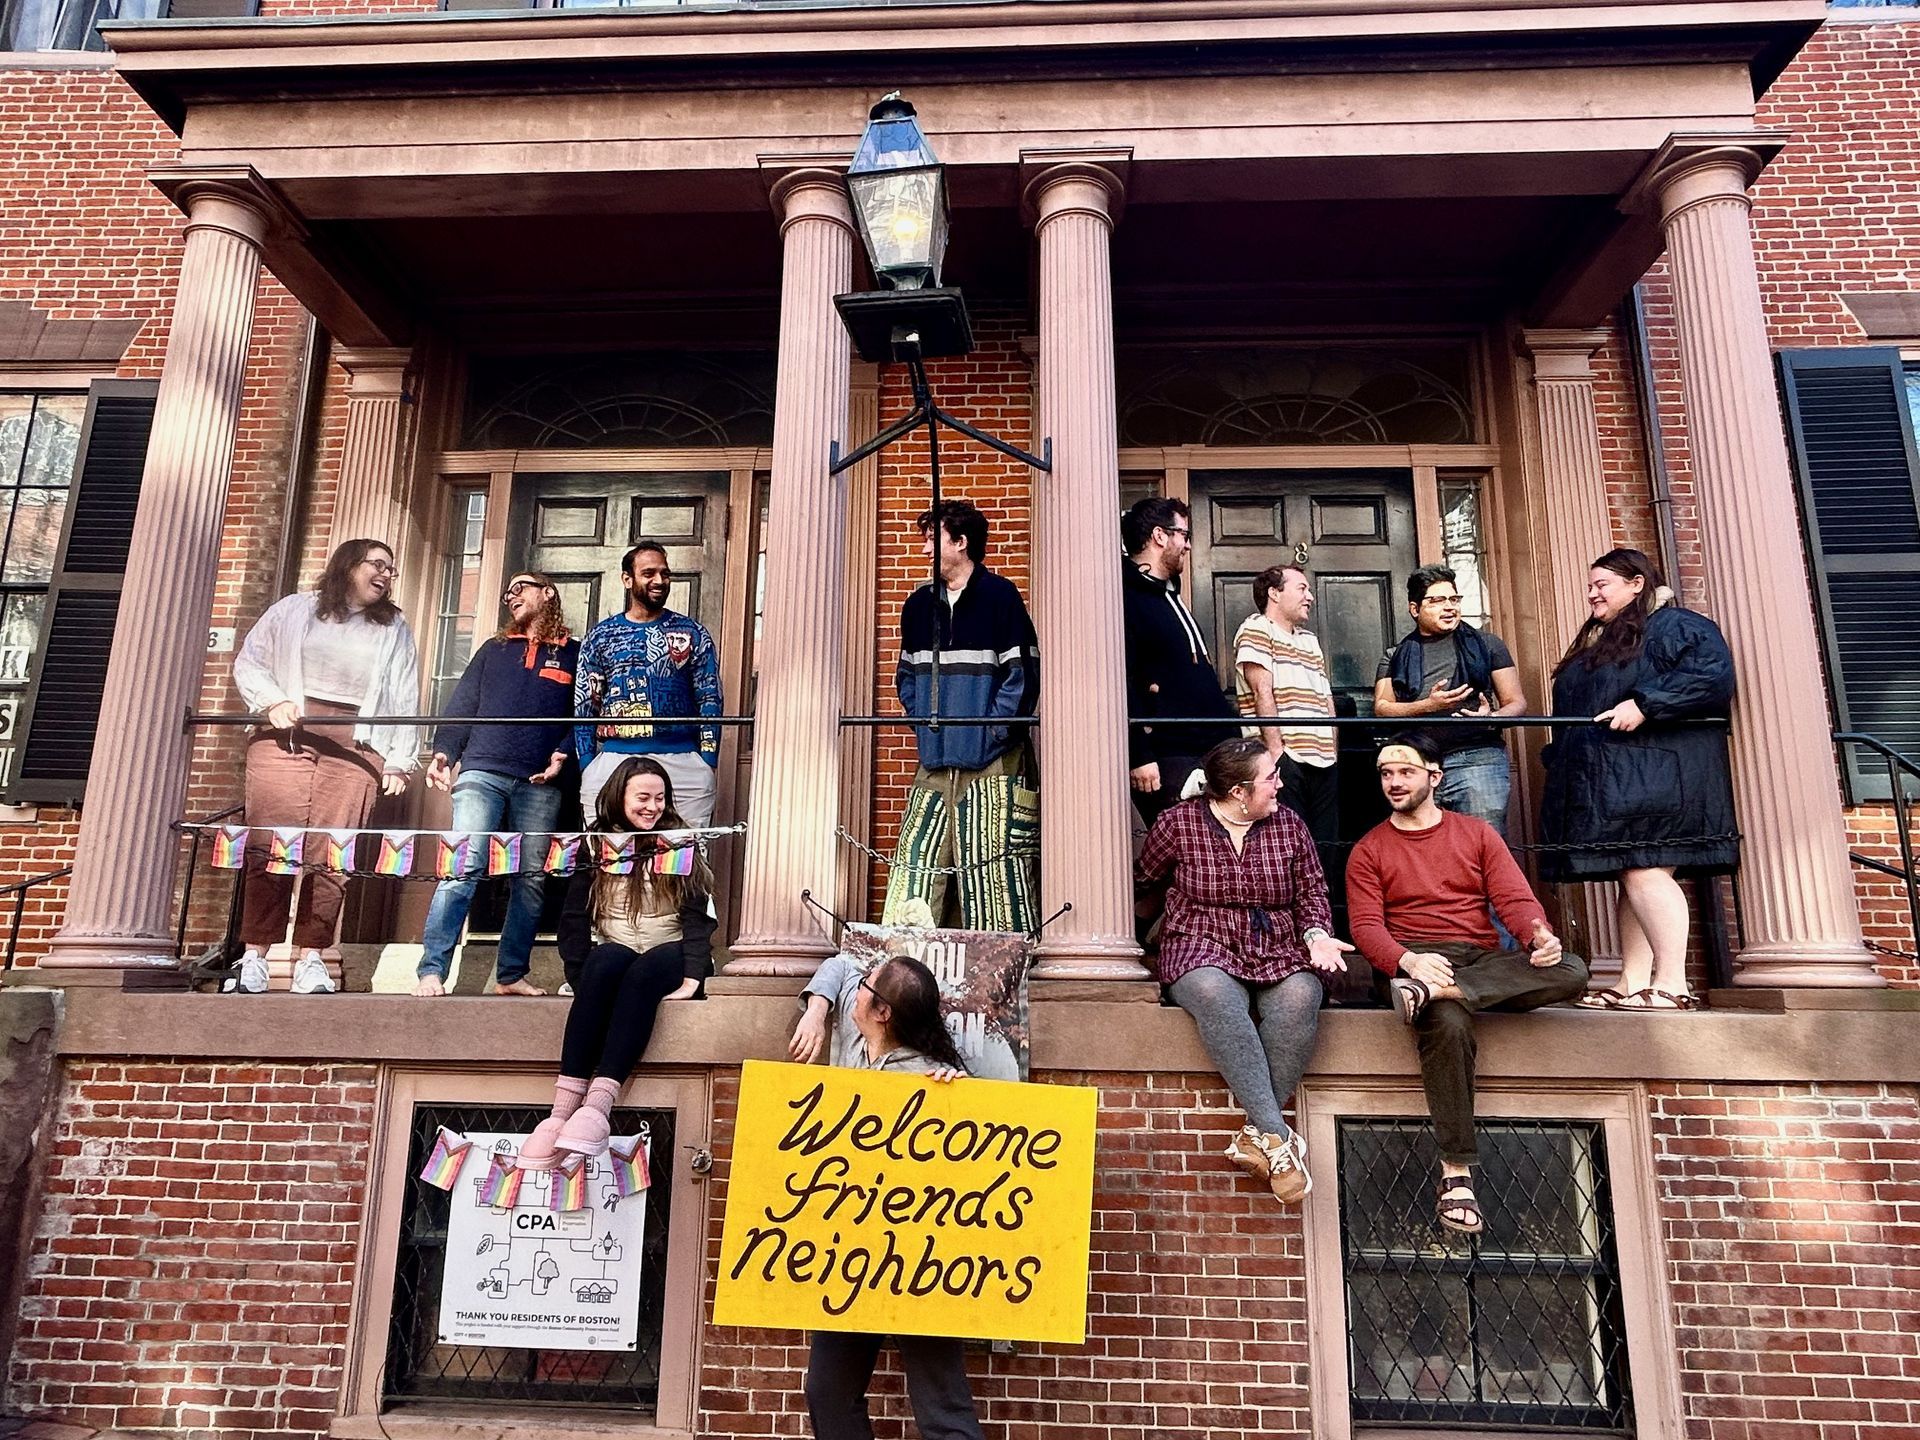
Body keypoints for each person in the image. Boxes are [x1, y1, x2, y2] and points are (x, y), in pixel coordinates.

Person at [1346, 736, 1588, 1234]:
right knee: (1450, 1029)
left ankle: (1447, 992)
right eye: (1386, 773)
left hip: (1476, 958)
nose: (1393, 782)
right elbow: (1367, 928)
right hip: (1416, 962)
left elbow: (1514, 899)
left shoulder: (1476, 834)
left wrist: (1538, 935)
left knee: (1573, 971)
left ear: (1434, 778)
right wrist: (1408, 961)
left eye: (1405, 772)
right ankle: (1456, 1173)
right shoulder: (1369, 848)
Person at [1135, 737, 1352, 1203]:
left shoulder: (1290, 824)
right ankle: (1277, 1137)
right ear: (1237, 791)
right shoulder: (1178, 824)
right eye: (1270, 778)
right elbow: (1144, 877)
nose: (1280, 784)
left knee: (1299, 998)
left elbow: (1312, 891)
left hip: (1277, 941)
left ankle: (1260, 1138)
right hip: (1200, 937)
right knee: (1215, 995)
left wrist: (1316, 936)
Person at [787, 952, 979, 1440]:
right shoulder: (856, 1039)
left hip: (920, 1264)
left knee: (942, 1407)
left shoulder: (934, 1080)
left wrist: (959, 1094)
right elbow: (841, 962)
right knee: (827, 1391)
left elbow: (975, 1156)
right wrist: (814, 1008)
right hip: (851, 1256)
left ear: (883, 1010)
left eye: (867, 986)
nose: (858, 987)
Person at [1540, 548, 1736, 1012]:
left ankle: (1672, 983)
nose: (1591, 594)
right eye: (1590, 585)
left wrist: (1646, 703)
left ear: (1636, 584)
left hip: (1660, 776)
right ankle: (1631, 980)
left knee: (1646, 868)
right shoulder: (1610, 637)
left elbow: (1713, 677)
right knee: (1634, 872)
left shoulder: (1678, 627)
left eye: (1601, 584)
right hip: (1620, 779)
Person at [229, 539, 420, 996]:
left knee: (333, 853)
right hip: (286, 736)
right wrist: (272, 700)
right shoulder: (294, 609)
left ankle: (312, 956)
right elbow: (250, 661)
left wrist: (397, 758)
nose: (386, 574)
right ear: (348, 565)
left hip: (356, 742)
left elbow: (404, 692)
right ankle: (255, 955)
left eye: (391, 570)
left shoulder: (392, 625)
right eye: (378, 564)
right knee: (271, 842)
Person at [516, 755, 715, 1168]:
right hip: (618, 946)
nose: (652, 807)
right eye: (643, 797)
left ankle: (598, 1106)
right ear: (619, 797)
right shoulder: (596, 842)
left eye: (660, 798)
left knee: (643, 974)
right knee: (605, 963)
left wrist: (694, 975)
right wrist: (579, 973)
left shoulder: (680, 840)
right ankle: (560, 1114)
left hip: (671, 950)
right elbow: (573, 915)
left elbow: (698, 914)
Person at [415, 572, 579, 998]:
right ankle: (431, 972)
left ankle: (510, 976)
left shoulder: (574, 654)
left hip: (540, 781)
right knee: (461, 870)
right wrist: (445, 751)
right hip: (482, 770)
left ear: (548, 593)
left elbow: (583, 714)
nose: (511, 595)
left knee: (531, 878)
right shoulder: (494, 649)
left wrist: (562, 753)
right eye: (507, 590)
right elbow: (463, 703)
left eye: (521, 586)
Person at [884, 499, 1040, 933]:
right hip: (933, 758)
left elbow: (1023, 675)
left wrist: (990, 734)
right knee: (917, 866)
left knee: (993, 874)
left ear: (961, 542)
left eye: (933, 539)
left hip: (995, 761)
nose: (924, 548)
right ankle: (901, 974)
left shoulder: (1000, 597)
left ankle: (1000, 980)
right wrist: (925, 723)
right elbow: (905, 677)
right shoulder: (917, 605)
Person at [574, 541, 722, 826]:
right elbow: (586, 702)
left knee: (684, 858)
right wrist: (587, 764)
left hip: (683, 760)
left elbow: (709, 696)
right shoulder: (600, 636)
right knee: (611, 856)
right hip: (614, 758)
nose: (659, 581)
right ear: (627, 579)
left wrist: (708, 759)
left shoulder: (692, 632)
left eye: (665, 574)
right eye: (649, 573)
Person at [1373, 565, 1526, 834]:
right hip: (1416, 763)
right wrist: (1429, 706)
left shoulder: (1488, 645)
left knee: (1481, 846)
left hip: (1477, 758)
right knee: (1422, 850)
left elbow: (1516, 702)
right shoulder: (1395, 655)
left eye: (1453, 599)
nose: (1449, 607)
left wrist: (1491, 717)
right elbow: (1382, 708)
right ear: (1414, 609)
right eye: (1436, 600)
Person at [1122, 497, 1239, 825]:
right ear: (1160, 536)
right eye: (1183, 535)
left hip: (1213, 748)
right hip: (1170, 753)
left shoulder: (1169, 594)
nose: (1187, 545)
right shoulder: (1127, 598)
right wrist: (1139, 754)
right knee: (1186, 849)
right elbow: (1124, 680)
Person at [1234, 564, 1338, 848]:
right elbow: (1261, 691)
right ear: (1274, 593)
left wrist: (1333, 749)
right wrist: (1277, 754)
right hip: (1285, 761)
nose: (1310, 597)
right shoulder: (1256, 628)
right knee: (1289, 845)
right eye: (1302, 588)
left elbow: (1326, 698)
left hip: (1323, 760)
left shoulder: (1310, 640)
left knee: (1326, 847)